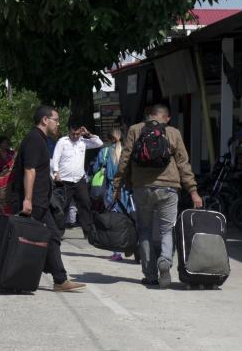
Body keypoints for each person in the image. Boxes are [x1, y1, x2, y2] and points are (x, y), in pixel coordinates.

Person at [113, 104, 200, 289]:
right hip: (168, 188)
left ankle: (150, 275)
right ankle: (165, 261)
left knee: (144, 229)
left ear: (149, 115)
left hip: (141, 188)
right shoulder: (173, 132)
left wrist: (118, 185)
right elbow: (183, 163)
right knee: (166, 229)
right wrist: (193, 190)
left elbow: (125, 159)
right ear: (167, 118)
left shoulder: (136, 130)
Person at [7, 106, 86, 292]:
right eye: (56, 120)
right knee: (27, 240)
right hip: (33, 201)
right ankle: (10, 275)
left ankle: (59, 279)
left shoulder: (40, 139)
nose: (58, 123)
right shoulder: (35, 139)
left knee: (52, 237)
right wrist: (27, 199)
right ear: (45, 120)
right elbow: (30, 170)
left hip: (41, 201)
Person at [51, 122, 103, 234]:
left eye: (78, 134)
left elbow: (99, 143)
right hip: (64, 180)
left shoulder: (83, 142)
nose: (75, 136)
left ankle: (88, 231)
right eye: (73, 134)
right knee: (62, 206)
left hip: (79, 180)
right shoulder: (62, 142)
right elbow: (55, 159)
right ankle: (59, 232)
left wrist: (88, 134)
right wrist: (56, 174)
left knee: (85, 204)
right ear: (69, 131)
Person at [92, 127, 133, 261]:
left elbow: (95, 168)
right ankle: (132, 245)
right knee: (130, 218)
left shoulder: (104, 151)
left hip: (111, 190)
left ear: (109, 138)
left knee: (115, 221)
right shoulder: (128, 152)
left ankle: (117, 252)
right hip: (127, 190)